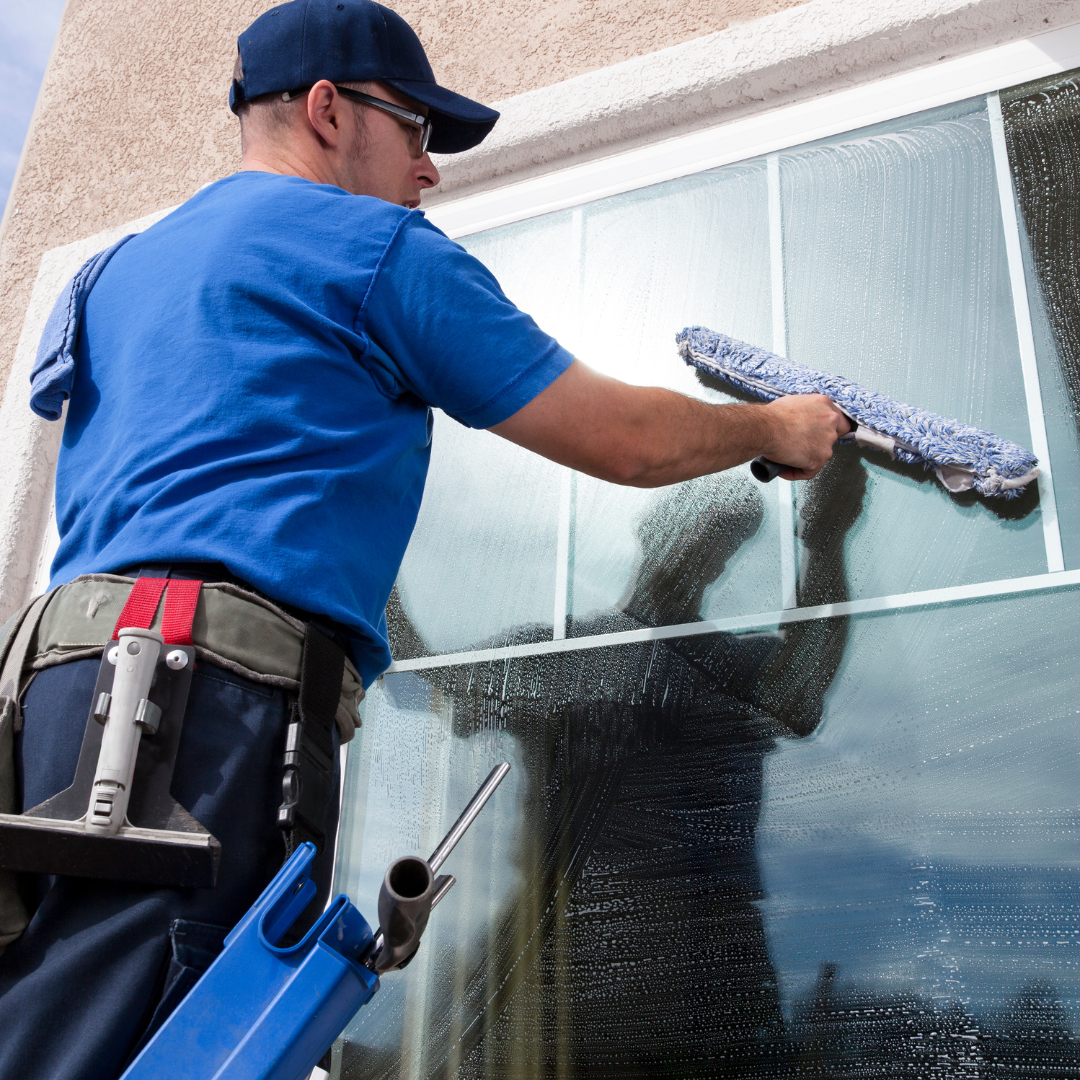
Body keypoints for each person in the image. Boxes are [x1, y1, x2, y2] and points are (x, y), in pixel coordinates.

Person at [0, 1, 849, 1077]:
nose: (429, 170)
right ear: (324, 110)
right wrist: (776, 427)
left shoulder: (112, 273)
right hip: (192, 709)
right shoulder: (371, 250)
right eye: (414, 130)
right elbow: (627, 441)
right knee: (170, 1031)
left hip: (59, 700)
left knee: (67, 1009)